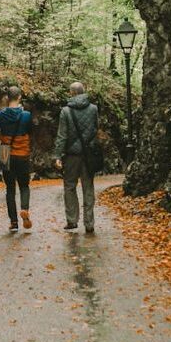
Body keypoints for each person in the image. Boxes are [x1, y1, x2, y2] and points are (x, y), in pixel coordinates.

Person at [54, 82, 98, 234]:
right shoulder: (93, 109)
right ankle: (89, 223)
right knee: (88, 187)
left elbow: (62, 135)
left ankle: (72, 221)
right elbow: (95, 130)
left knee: (70, 186)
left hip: (72, 155)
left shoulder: (65, 111)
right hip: (88, 155)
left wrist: (58, 156)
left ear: (72, 93)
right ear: (83, 91)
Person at [0, 86, 33, 232]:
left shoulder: (0, 114)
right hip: (22, 153)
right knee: (24, 186)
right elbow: (30, 131)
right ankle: (24, 209)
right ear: (20, 97)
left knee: (10, 189)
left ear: (6, 98)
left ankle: (14, 223)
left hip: (5, 152)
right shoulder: (27, 115)